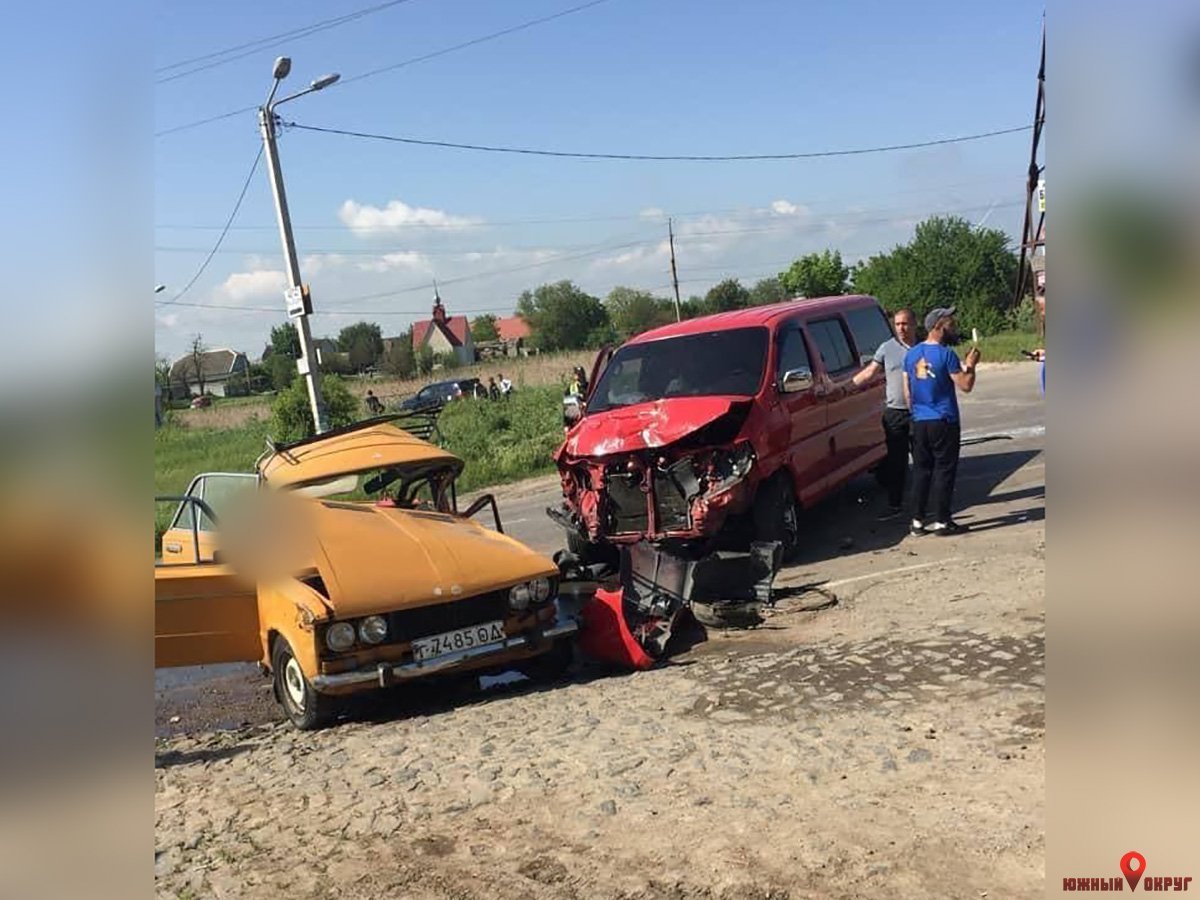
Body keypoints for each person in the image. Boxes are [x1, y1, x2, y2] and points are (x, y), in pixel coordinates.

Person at [902, 306, 980, 536]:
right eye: (950, 324)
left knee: (921, 471)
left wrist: (914, 414)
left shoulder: (912, 354)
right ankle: (942, 520)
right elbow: (965, 385)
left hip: (920, 419)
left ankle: (917, 521)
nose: (954, 327)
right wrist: (972, 365)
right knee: (944, 470)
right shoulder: (946, 355)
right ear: (938, 326)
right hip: (943, 419)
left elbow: (907, 390)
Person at [846, 308, 917, 519]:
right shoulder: (887, 348)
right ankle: (895, 505)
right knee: (896, 463)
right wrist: (844, 388)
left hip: (921, 413)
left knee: (923, 461)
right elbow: (869, 373)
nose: (901, 328)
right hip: (895, 413)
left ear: (914, 324)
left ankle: (924, 506)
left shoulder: (923, 348)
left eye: (904, 324)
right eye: (897, 324)